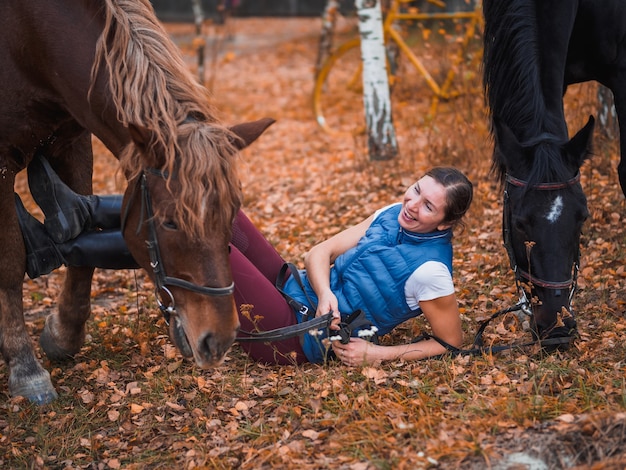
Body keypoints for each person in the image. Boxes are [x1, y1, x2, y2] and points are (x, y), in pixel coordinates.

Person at [16, 154, 473, 366]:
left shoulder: (431, 271)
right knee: (221, 210)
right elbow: (320, 252)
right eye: (416, 190)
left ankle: (55, 250)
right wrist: (325, 291)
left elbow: (453, 344)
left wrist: (378, 354)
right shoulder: (391, 215)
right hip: (294, 291)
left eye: (428, 206)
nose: (413, 205)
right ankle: (85, 210)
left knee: (202, 243)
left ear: (444, 225)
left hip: (295, 340)